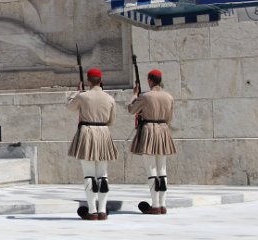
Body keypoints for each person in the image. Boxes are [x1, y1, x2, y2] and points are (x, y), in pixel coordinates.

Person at [66, 68, 117, 220]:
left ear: (88, 81)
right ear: (100, 81)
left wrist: (76, 93)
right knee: (102, 175)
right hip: (103, 133)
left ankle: (92, 211)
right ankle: (102, 210)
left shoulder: (83, 96)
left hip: (87, 132)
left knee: (89, 174)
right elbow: (112, 121)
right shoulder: (109, 98)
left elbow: (69, 108)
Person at [128, 69, 176, 215]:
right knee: (162, 170)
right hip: (163, 130)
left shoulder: (145, 96)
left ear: (149, 81)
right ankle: (162, 204)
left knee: (151, 169)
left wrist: (134, 96)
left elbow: (131, 109)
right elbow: (169, 117)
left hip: (149, 130)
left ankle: (155, 205)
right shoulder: (169, 97)